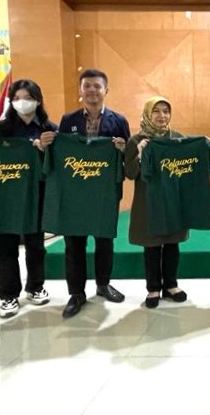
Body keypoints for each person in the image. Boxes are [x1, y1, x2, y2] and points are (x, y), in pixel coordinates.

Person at [58, 69, 130, 318]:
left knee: (104, 240)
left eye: (97, 86)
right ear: (80, 90)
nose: (92, 91)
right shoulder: (68, 120)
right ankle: (76, 293)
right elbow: (63, 154)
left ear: (106, 90)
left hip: (105, 191)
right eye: (87, 86)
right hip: (75, 192)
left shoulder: (119, 121)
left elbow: (129, 157)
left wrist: (123, 149)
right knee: (74, 243)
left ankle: (103, 284)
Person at [0, 79, 58, 317]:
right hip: (5, 197)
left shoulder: (50, 129)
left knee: (36, 245)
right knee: (6, 246)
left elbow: (57, 165)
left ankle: (36, 287)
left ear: (38, 101)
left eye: (28, 98)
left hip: (37, 194)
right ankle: (8, 295)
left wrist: (44, 150)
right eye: (17, 98)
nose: (22, 102)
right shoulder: (0, 130)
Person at [125, 96, 189, 309]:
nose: (162, 116)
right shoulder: (136, 141)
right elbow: (130, 173)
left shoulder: (177, 139)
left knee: (172, 243)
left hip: (172, 201)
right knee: (151, 245)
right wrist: (140, 154)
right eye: (157, 111)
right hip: (147, 201)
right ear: (148, 114)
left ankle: (171, 285)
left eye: (166, 111)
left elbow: (187, 169)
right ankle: (153, 288)